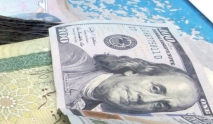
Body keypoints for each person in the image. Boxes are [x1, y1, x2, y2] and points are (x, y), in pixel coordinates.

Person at [57, 42, 202, 114]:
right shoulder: (73, 58)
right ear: (133, 71)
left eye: (160, 105)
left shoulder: (83, 113)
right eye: (155, 89)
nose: (145, 100)